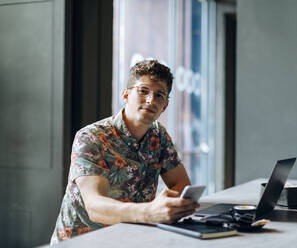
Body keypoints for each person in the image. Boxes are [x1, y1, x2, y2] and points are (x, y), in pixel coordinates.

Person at [51, 60, 198, 244]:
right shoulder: (91, 138)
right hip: (81, 243)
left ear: (165, 106)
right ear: (126, 95)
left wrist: (170, 204)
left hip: (128, 240)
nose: (151, 100)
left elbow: (182, 185)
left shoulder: (158, 136)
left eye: (159, 95)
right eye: (143, 91)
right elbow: (95, 207)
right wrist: (151, 211)